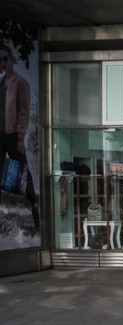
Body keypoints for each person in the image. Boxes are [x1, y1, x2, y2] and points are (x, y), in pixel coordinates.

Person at [0, 42, 38, 231]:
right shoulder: (1, 82)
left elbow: (24, 112)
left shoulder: (20, 82)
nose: (2, 62)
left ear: (12, 59)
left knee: (23, 173)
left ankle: (35, 208)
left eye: (5, 58)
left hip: (13, 135)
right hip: (0, 134)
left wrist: (21, 137)